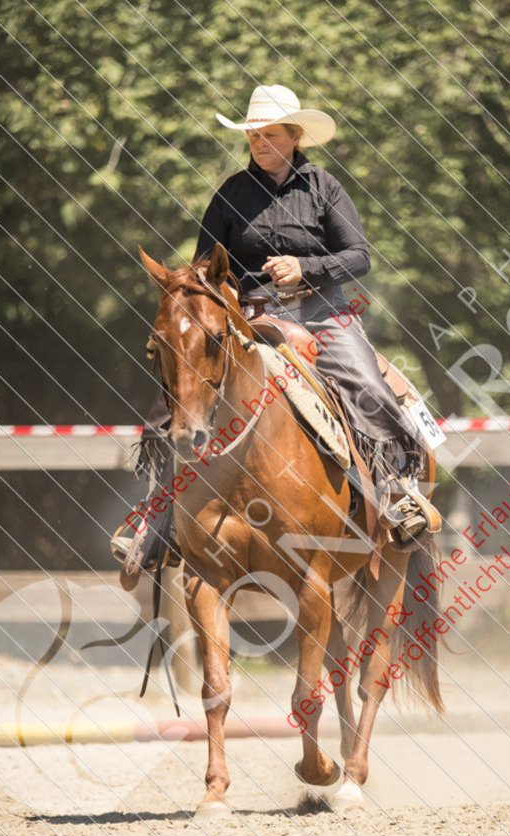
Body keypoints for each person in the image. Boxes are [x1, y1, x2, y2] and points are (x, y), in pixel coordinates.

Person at [112, 84, 439, 575]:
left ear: (294, 136)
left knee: (368, 384)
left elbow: (359, 257)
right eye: (253, 135)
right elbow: (204, 269)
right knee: (174, 393)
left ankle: (397, 492)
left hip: (321, 313)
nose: (259, 143)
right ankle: (158, 517)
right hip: (251, 316)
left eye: (269, 134)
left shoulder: (324, 188)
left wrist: (305, 267)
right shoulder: (230, 194)